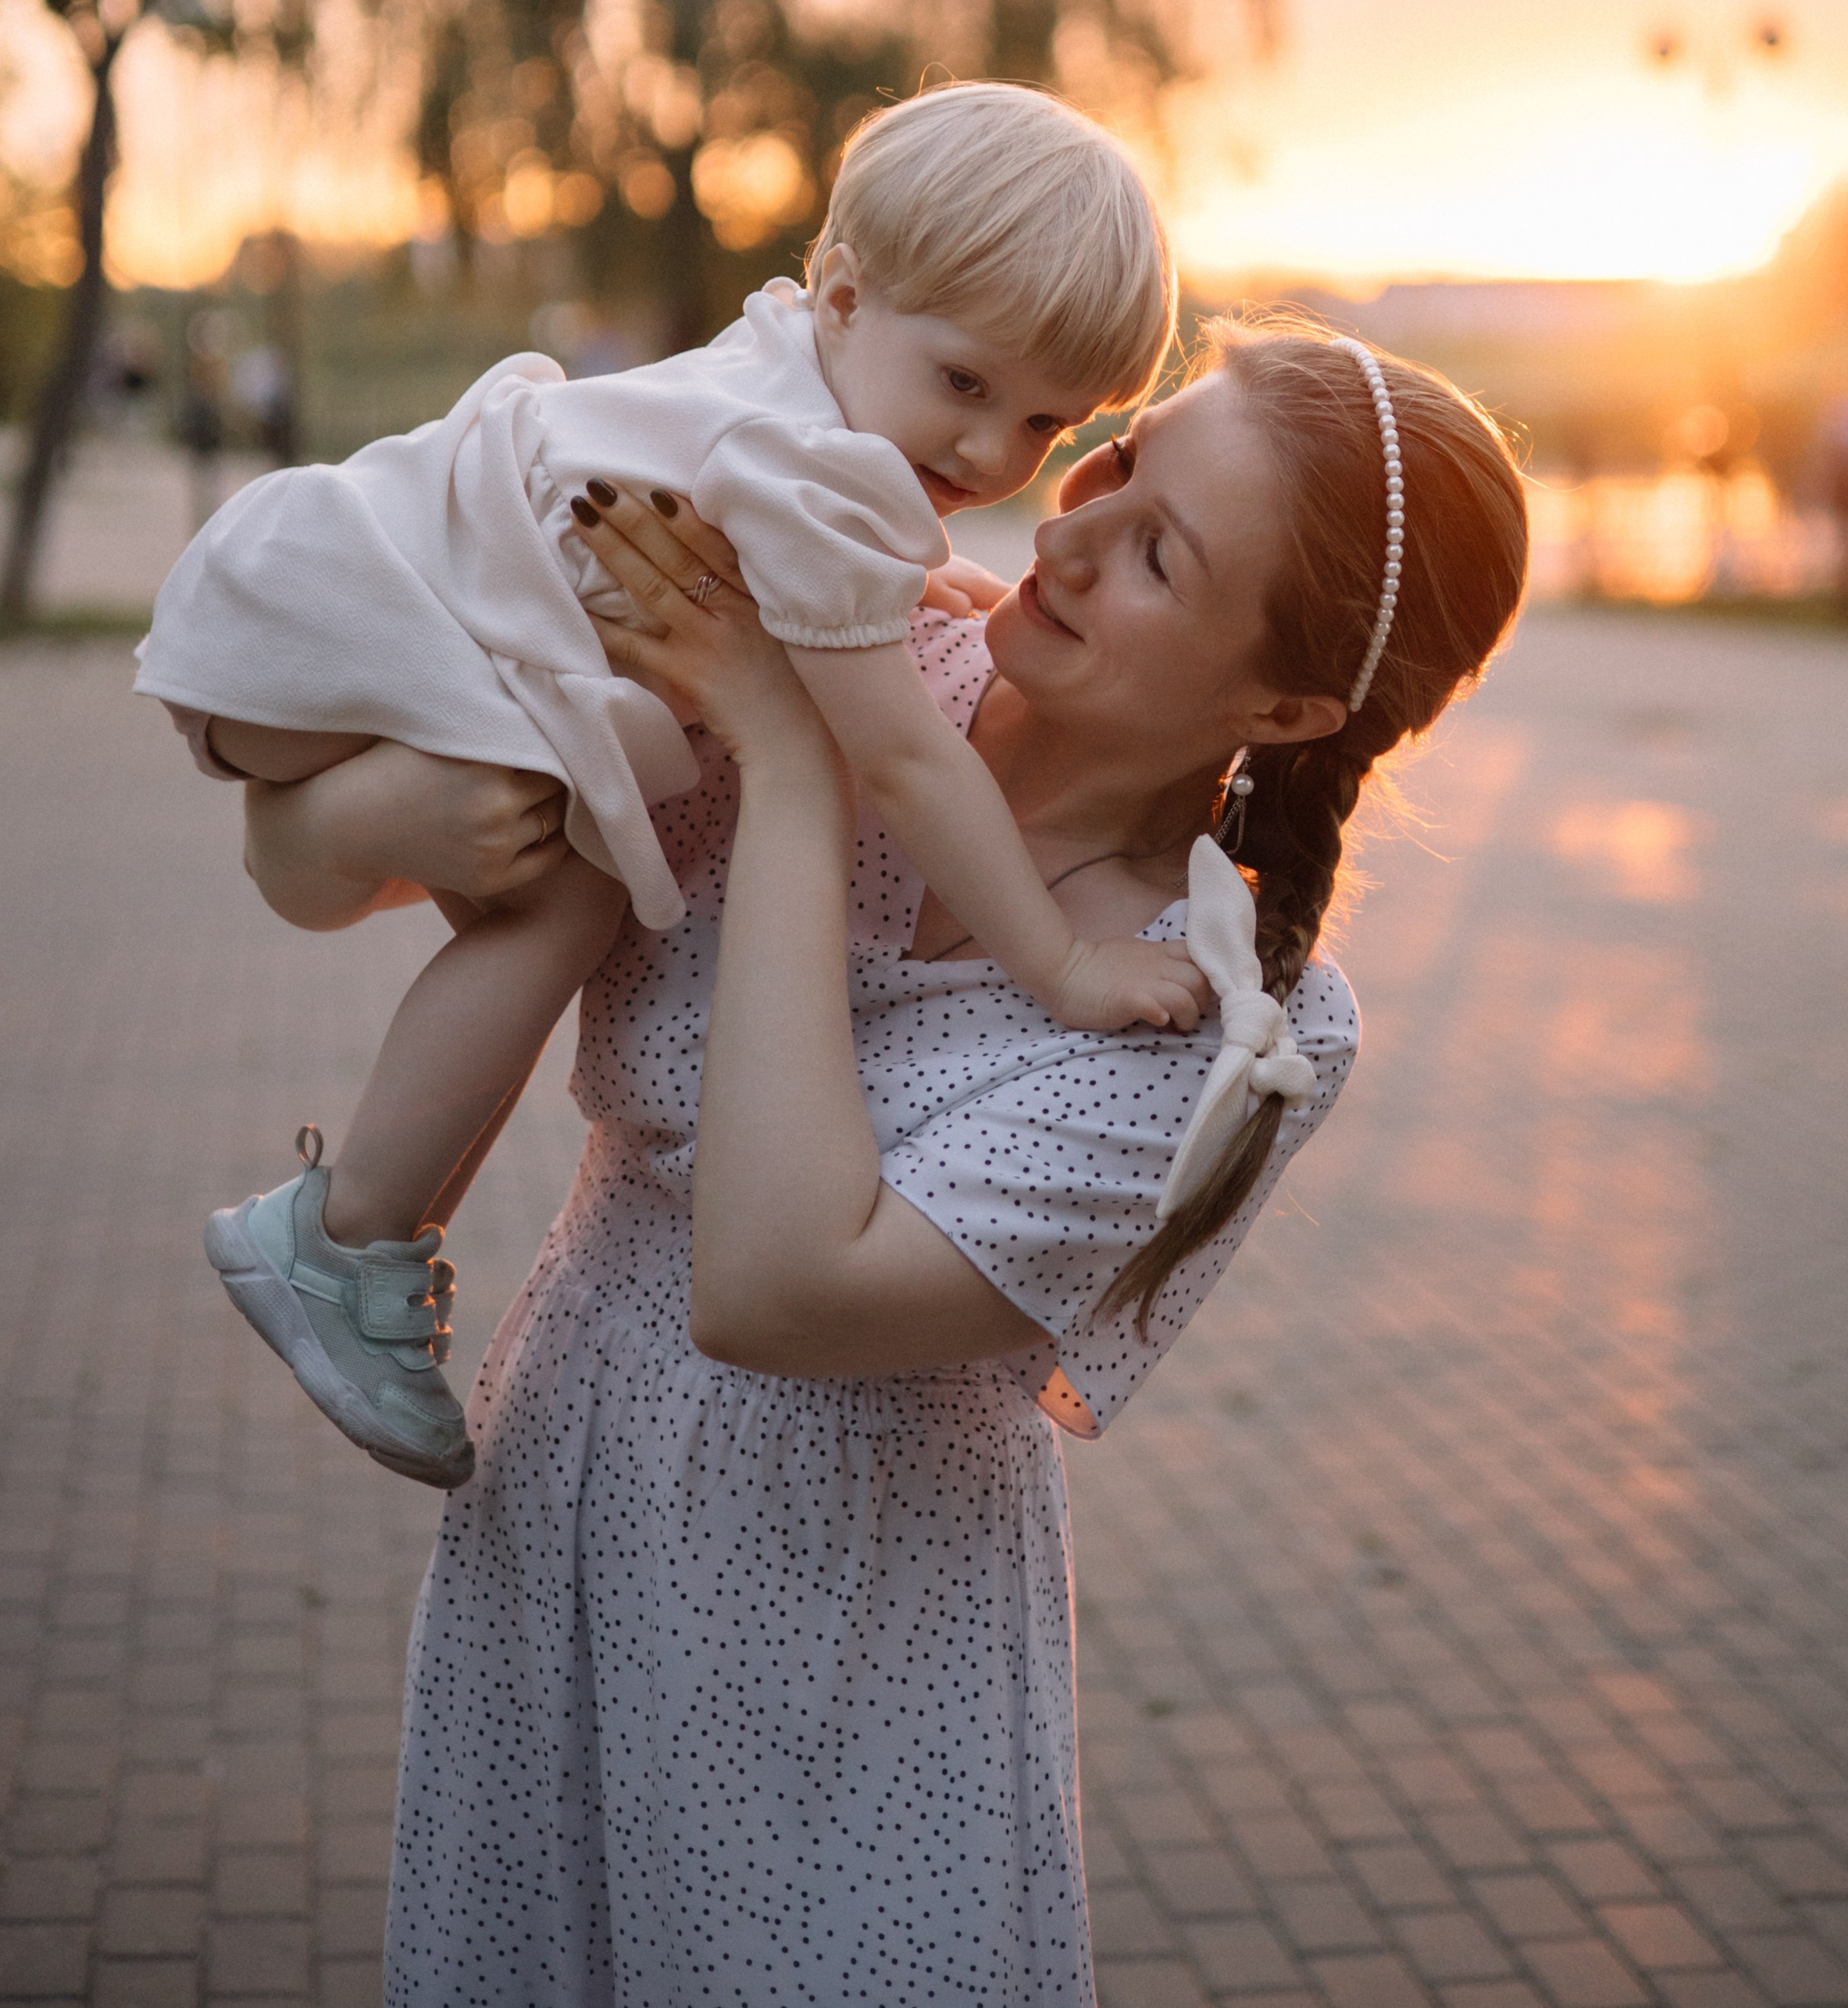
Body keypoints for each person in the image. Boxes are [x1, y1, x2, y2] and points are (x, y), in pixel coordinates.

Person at [240, 318, 1529, 2003]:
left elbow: (777, 1287)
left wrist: (784, 760)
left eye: (1153, 553)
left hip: (860, 1650)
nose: (1058, 534)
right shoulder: (851, 639)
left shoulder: (1234, 1018)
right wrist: (376, 823)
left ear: (1283, 703)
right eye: (1121, 459)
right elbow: (301, 842)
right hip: (556, 1530)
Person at [137, 85, 1204, 1489]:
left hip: (298, 600)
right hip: (363, 631)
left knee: (561, 873)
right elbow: (899, 751)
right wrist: (1061, 963)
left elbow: (771, 542)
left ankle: (365, 1248)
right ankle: (339, 1240)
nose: (994, 456)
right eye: (964, 386)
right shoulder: (821, 472)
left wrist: (892, 585)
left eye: (1048, 422)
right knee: (566, 905)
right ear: (841, 294)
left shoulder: (775, 369)